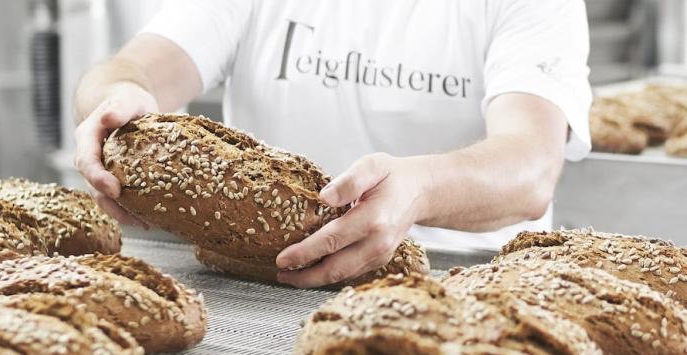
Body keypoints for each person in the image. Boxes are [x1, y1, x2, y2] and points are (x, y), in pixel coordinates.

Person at [73, 0, 591, 288]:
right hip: (247, 285)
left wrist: (422, 190)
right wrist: (116, 100)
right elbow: (128, 70)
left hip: (460, 290)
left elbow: (531, 167)